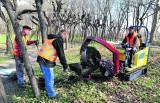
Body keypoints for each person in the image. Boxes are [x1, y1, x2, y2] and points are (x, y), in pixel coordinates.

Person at [37, 30, 68, 99]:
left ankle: (47, 88)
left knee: (47, 77)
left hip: (41, 59)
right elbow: (61, 55)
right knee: (50, 78)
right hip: (46, 61)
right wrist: (65, 66)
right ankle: (52, 95)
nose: (65, 38)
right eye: (65, 36)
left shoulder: (51, 38)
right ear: (63, 35)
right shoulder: (58, 40)